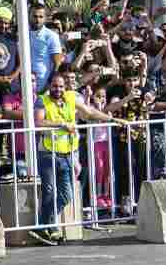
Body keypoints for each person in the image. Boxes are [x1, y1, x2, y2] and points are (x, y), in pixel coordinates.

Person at [31, 68, 121, 244]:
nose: (58, 89)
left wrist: (111, 119)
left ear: (65, 87)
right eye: (55, 86)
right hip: (48, 154)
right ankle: (50, 227)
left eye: (61, 86)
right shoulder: (42, 101)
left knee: (66, 195)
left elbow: (89, 113)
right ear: (50, 86)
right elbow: (39, 122)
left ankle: (43, 226)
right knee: (49, 192)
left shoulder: (71, 98)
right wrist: (62, 124)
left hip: (67, 154)